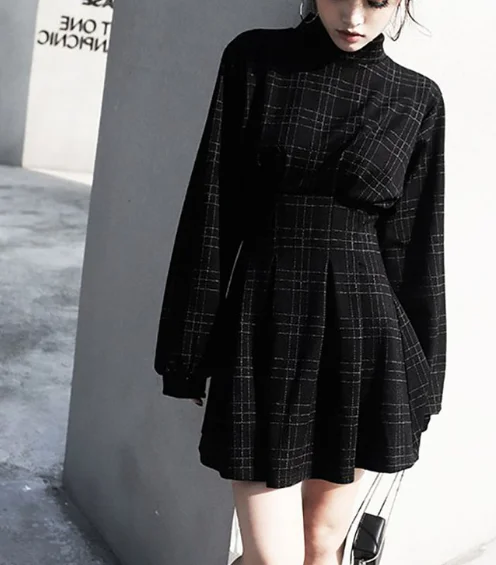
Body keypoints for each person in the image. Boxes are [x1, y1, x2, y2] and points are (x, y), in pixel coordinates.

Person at [154, 0, 447, 563]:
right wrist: (187, 350)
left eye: (376, 1)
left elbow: (416, 250)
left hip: (363, 341)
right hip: (265, 326)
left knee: (322, 546)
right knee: (272, 558)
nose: (354, 17)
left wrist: (425, 381)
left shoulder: (416, 97)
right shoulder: (255, 61)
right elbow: (213, 211)